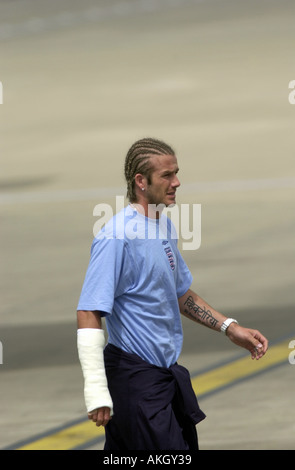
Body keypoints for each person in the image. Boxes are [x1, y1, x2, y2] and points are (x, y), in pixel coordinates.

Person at [77, 137, 268, 450]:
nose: (177, 182)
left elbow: (179, 294)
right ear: (141, 181)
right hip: (135, 380)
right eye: (167, 175)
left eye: (176, 173)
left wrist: (229, 327)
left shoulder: (162, 226)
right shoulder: (116, 236)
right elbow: (88, 311)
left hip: (163, 379)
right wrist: (97, 390)